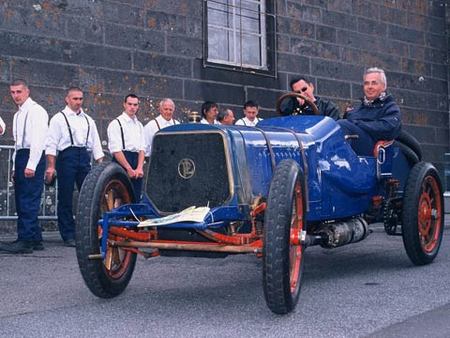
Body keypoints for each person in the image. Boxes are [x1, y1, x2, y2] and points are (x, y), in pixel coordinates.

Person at [45, 87, 104, 247]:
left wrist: (100, 165)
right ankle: (68, 234)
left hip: (83, 157)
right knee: (65, 197)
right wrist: (51, 166)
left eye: (80, 99)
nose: (78, 102)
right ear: (67, 99)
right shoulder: (58, 118)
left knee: (89, 196)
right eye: (75, 99)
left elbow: (96, 144)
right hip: (66, 158)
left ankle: (89, 232)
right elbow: (51, 144)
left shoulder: (88, 120)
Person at [0, 79, 48, 254]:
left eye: (19, 92)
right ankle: (35, 238)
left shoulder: (37, 111)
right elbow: (17, 144)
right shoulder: (18, 114)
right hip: (21, 156)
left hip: (31, 155)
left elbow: (38, 140)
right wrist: (15, 167)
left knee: (28, 199)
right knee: (22, 199)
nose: (15, 96)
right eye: (12, 92)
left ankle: (25, 241)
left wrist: (31, 164)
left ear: (27, 91)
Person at [338, 67, 401, 156]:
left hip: (372, 149)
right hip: (352, 146)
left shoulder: (390, 107)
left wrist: (358, 123)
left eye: (374, 83)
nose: (370, 87)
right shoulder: (356, 109)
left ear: (383, 86)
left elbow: (388, 128)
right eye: (366, 83)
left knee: (343, 125)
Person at [107, 94, 145, 201]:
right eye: (130, 104)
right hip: (121, 160)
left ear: (138, 106)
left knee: (135, 197)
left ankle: (133, 217)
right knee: (120, 196)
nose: (132, 107)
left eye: (135, 105)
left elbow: (142, 148)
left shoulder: (139, 125)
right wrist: (128, 169)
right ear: (124, 105)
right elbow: (116, 150)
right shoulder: (116, 123)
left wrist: (139, 168)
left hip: (136, 161)